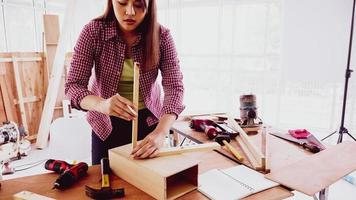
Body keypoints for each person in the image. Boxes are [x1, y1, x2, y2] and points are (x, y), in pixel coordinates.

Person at [65, 0, 184, 165]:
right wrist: (102, 104)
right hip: (105, 121)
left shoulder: (162, 36)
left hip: (149, 122)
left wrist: (161, 132)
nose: (130, 12)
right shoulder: (93, 32)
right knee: (105, 180)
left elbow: (174, 87)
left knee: (148, 182)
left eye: (138, 4)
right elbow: (73, 86)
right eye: (122, 2)